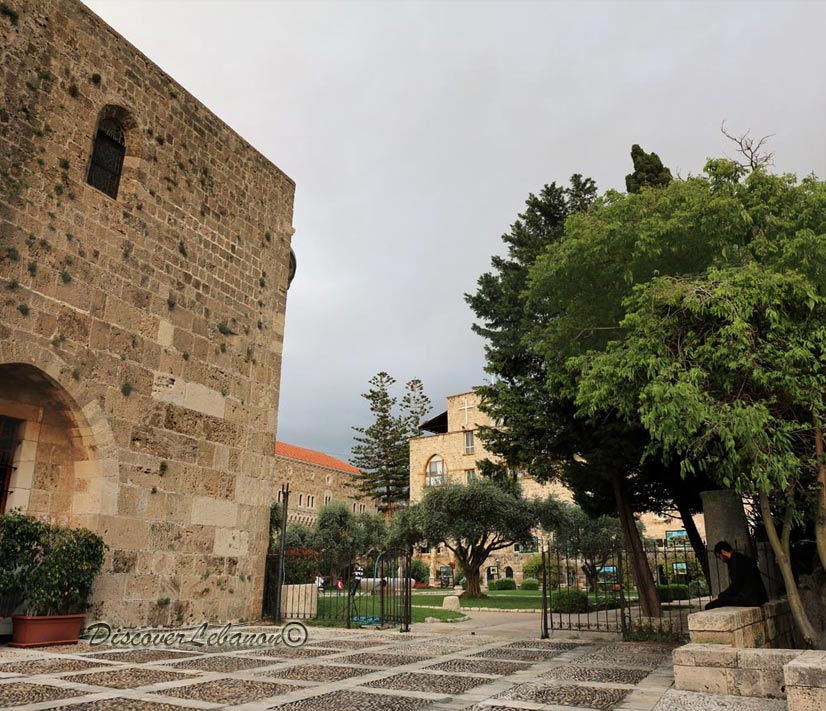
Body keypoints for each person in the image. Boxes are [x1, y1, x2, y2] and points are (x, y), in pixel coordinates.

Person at [705, 540, 768, 610]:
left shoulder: (735, 561)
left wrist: (720, 596)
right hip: (758, 597)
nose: (721, 560)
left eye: (719, 556)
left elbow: (736, 586)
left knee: (710, 606)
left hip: (749, 599)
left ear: (723, 552)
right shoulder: (740, 557)